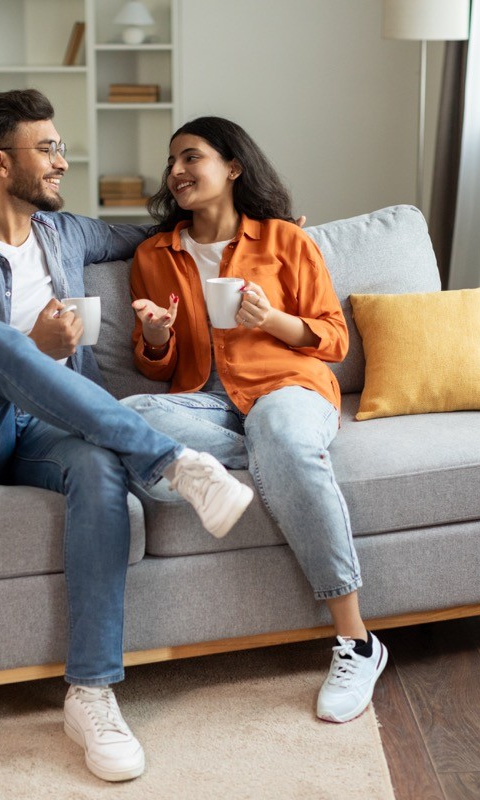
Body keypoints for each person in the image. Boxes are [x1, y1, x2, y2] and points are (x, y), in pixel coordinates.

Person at [0, 90, 255, 783]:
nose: (63, 161)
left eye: (60, 146)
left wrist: (258, 218)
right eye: (47, 148)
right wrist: (29, 343)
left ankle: (90, 692)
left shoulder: (67, 235)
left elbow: (155, 232)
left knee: (96, 466)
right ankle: (175, 463)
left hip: (51, 431)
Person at [122, 117, 388, 724]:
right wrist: (156, 337)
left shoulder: (285, 241)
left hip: (287, 386)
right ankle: (271, 453)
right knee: (123, 416)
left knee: (280, 430)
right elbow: (156, 368)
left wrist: (270, 320)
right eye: (172, 163)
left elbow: (333, 339)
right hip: (207, 401)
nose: (177, 172)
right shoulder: (153, 255)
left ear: (233, 167)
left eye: (191, 157)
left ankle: (356, 641)